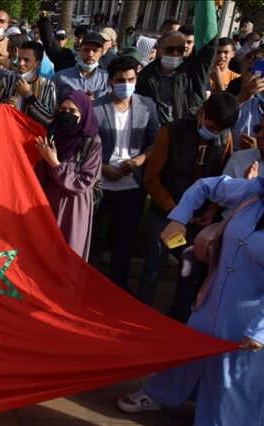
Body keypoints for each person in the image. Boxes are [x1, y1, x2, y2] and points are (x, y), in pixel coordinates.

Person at [117, 174, 264, 426]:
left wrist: (259, 330)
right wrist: (179, 219)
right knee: (190, 350)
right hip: (212, 301)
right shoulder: (253, 192)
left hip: (249, 318)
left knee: (232, 378)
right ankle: (161, 394)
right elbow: (204, 186)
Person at [138, 92, 239, 318]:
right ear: (202, 113)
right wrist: (175, 210)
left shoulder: (225, 137)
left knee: (189, 271)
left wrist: (212, 210)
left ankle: (180, 318)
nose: (214, 133)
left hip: (198, 220)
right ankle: (141, 314)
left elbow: (223, 181)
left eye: (219, 130)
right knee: (154, 267)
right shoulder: (171, 132)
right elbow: (151, 179)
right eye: (211, 128)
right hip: (166, 215)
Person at [92, 56, 159, 290]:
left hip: (131, 184)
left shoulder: (147, 106)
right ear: (110, 81)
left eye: (131, 79)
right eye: (121, 80)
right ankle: (84, 280)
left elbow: (155, 141)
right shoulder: (96, 108)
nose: (126, 84)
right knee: (90, 235)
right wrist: (102, 167)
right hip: (100, 182)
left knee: (124, 238)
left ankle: (119, 286)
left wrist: (140, 160)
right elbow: (85, 146)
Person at [34, 91, 101, 260]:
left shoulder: (91, 142)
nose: (66, 114)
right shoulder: (53, 134)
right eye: (63, 109)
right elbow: (40, 177)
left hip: (74, 206)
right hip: (49, 201)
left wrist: (55, 163)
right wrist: (42, 161)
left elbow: (83, 182)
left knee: (69, 254)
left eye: (72, 111)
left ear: (83, 114)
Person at [136, 2, 218, 125]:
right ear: (160, 50)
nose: (175, 53)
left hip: (186, 133)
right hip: (157, 135)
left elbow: (209, 43)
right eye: (170, 49)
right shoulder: (145, 76)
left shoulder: (194, 72)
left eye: (180, 49)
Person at [4, 41, 56, 127]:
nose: (21, 63)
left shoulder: (47, 86)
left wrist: (29, 95)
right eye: (19, 59)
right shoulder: (7, 80)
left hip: (31, 134)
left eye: (26, 60)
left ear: (38, 64)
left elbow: (48, 119)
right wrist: (5, 105)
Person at [52, 32, 109, 101]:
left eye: (95, 51)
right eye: (86, 50)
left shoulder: (107, 79)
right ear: (80, 49)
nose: (90, 54)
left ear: (102, 52)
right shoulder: (60, 77)